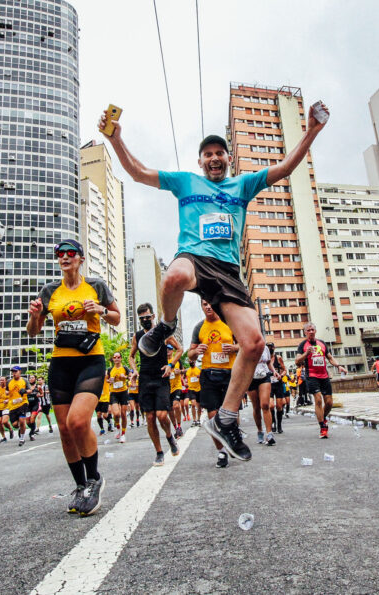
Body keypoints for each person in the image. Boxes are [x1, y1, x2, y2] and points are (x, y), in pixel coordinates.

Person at [100, 102, 328, 462]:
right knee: (174, 276)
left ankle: (226, 417)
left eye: (220, 153)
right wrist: (115, 139)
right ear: (200, 162)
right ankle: (166, 324)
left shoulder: (244, 184)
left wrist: (312, 130)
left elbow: (284, 168)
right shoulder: (185, 182)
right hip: (194, 258)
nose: (214, 158)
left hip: (228, 273)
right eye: (207, 154)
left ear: (228, 159)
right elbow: (140, 172)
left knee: (254, 344)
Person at [27, 238, 120, 516]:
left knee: (78, 421)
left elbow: (116, 317)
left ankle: (94, 480)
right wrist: (33, 316)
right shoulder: (49, 291)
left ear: (80, 258)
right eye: (60, 254)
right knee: (65, 430)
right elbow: (33, 331)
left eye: (70, 253)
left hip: (90, 360)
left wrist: (101, 310)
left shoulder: (96, 285)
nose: (65, 257)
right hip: (60, 363)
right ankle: (80, 486)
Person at [188, 299, 240, 468]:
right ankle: (222, 452)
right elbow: (190, 355)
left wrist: (234, 348)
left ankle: (233, 440)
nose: (208, 306)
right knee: (213, 416)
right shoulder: (199, 327)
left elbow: (243, 344)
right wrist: (196, 351)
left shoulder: (229, 322)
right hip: (208, 374)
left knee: (231, 416)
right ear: (202, 307)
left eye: (211, 303)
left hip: (229, 374)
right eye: (204, 304)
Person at [128, 303, 180, 466]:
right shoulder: (137, 336)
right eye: (142, 318)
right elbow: (131, 356)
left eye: (147, 317)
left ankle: (170, 437)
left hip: (161, 378)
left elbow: (179, 349)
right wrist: (134, 370)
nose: (145, 320)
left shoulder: (162, 332)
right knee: (150, 417)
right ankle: (159, 452)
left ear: (153, 317)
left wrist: (170, 365)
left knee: (162, 415)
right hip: (145, 379)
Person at [296, 323, 345, 438]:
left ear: (315, 331)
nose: (311, 331)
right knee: (318, 399)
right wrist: (306, 353)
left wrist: (338, 366)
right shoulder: (303, 345)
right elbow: (297, 361)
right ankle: (323, 427)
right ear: (305, 332)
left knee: (329, 403)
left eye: (313, 329)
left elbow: (330, 357)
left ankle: (323, 418)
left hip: (324, 376)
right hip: (311, 375)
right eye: (308, 330)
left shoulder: (321, 343)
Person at [248, 339, 276, 446]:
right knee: (256, 407)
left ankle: (269, 434)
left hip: (264, 376)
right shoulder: (246, 346)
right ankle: (260, 431)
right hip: (251, 378)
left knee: (265, 405)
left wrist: (274, 371)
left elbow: (268, 363)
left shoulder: (265, 348)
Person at [107, 353, 130, 443]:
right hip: (114, 393)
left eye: (118, 357)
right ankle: (118, 429)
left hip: (123, 392)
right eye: (114, 357)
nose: (116, 359)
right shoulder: (110, 370)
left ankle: (123, 434)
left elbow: (131, 376)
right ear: (113, 359)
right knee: (116, 414)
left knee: (123, 414)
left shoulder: (124, 368)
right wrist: (110, 380)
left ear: (121, 358)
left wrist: (125, 377)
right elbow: (107, 379)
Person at [6, 366, 30, 448]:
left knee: (22, 420)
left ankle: (22, 439)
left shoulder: (24, 380)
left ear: (20, 372)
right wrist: (6, 393)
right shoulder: (9, 381)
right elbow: (6, 390)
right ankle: (20, 428)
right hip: (13, 405)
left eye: (15, 371)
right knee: (15, 424)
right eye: (13, 372)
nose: (14, 373)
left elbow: (30, 390)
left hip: (23, 403)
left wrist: (25, 391)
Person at [268, 344, 288, 434]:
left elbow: (284, 370)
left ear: (274, 348)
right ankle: (273, 422)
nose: (270, 349)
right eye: (268, 348)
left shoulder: (278, 358)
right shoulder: (265, 359)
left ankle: (279, 425)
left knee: (279, 406)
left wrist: (281, 375)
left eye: (271, 348)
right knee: (271, 405)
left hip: (278, 384)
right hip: (269, 384)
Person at [0, 377, 13, 441]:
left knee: (4, 421)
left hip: (7, 407)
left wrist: (8, 400)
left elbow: (13, 396)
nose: (1, 381)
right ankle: (3, 437)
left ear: (6, 381)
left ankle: (10, 429)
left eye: (3, 380)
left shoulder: (9, 388)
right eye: (0, 380)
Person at [184, 359, 202, 427]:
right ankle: (194, 420)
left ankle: (199, 419)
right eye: (190, 361)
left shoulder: (199, 370)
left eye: (192, 361)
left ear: (195, 362)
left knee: (199, 406)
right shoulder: (187, 371)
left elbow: (204, 378)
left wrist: (200, 377)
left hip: (199, 389)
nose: (191, 362)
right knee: (193, 404)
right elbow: (185, 378)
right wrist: (186, 383)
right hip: (191, 389)